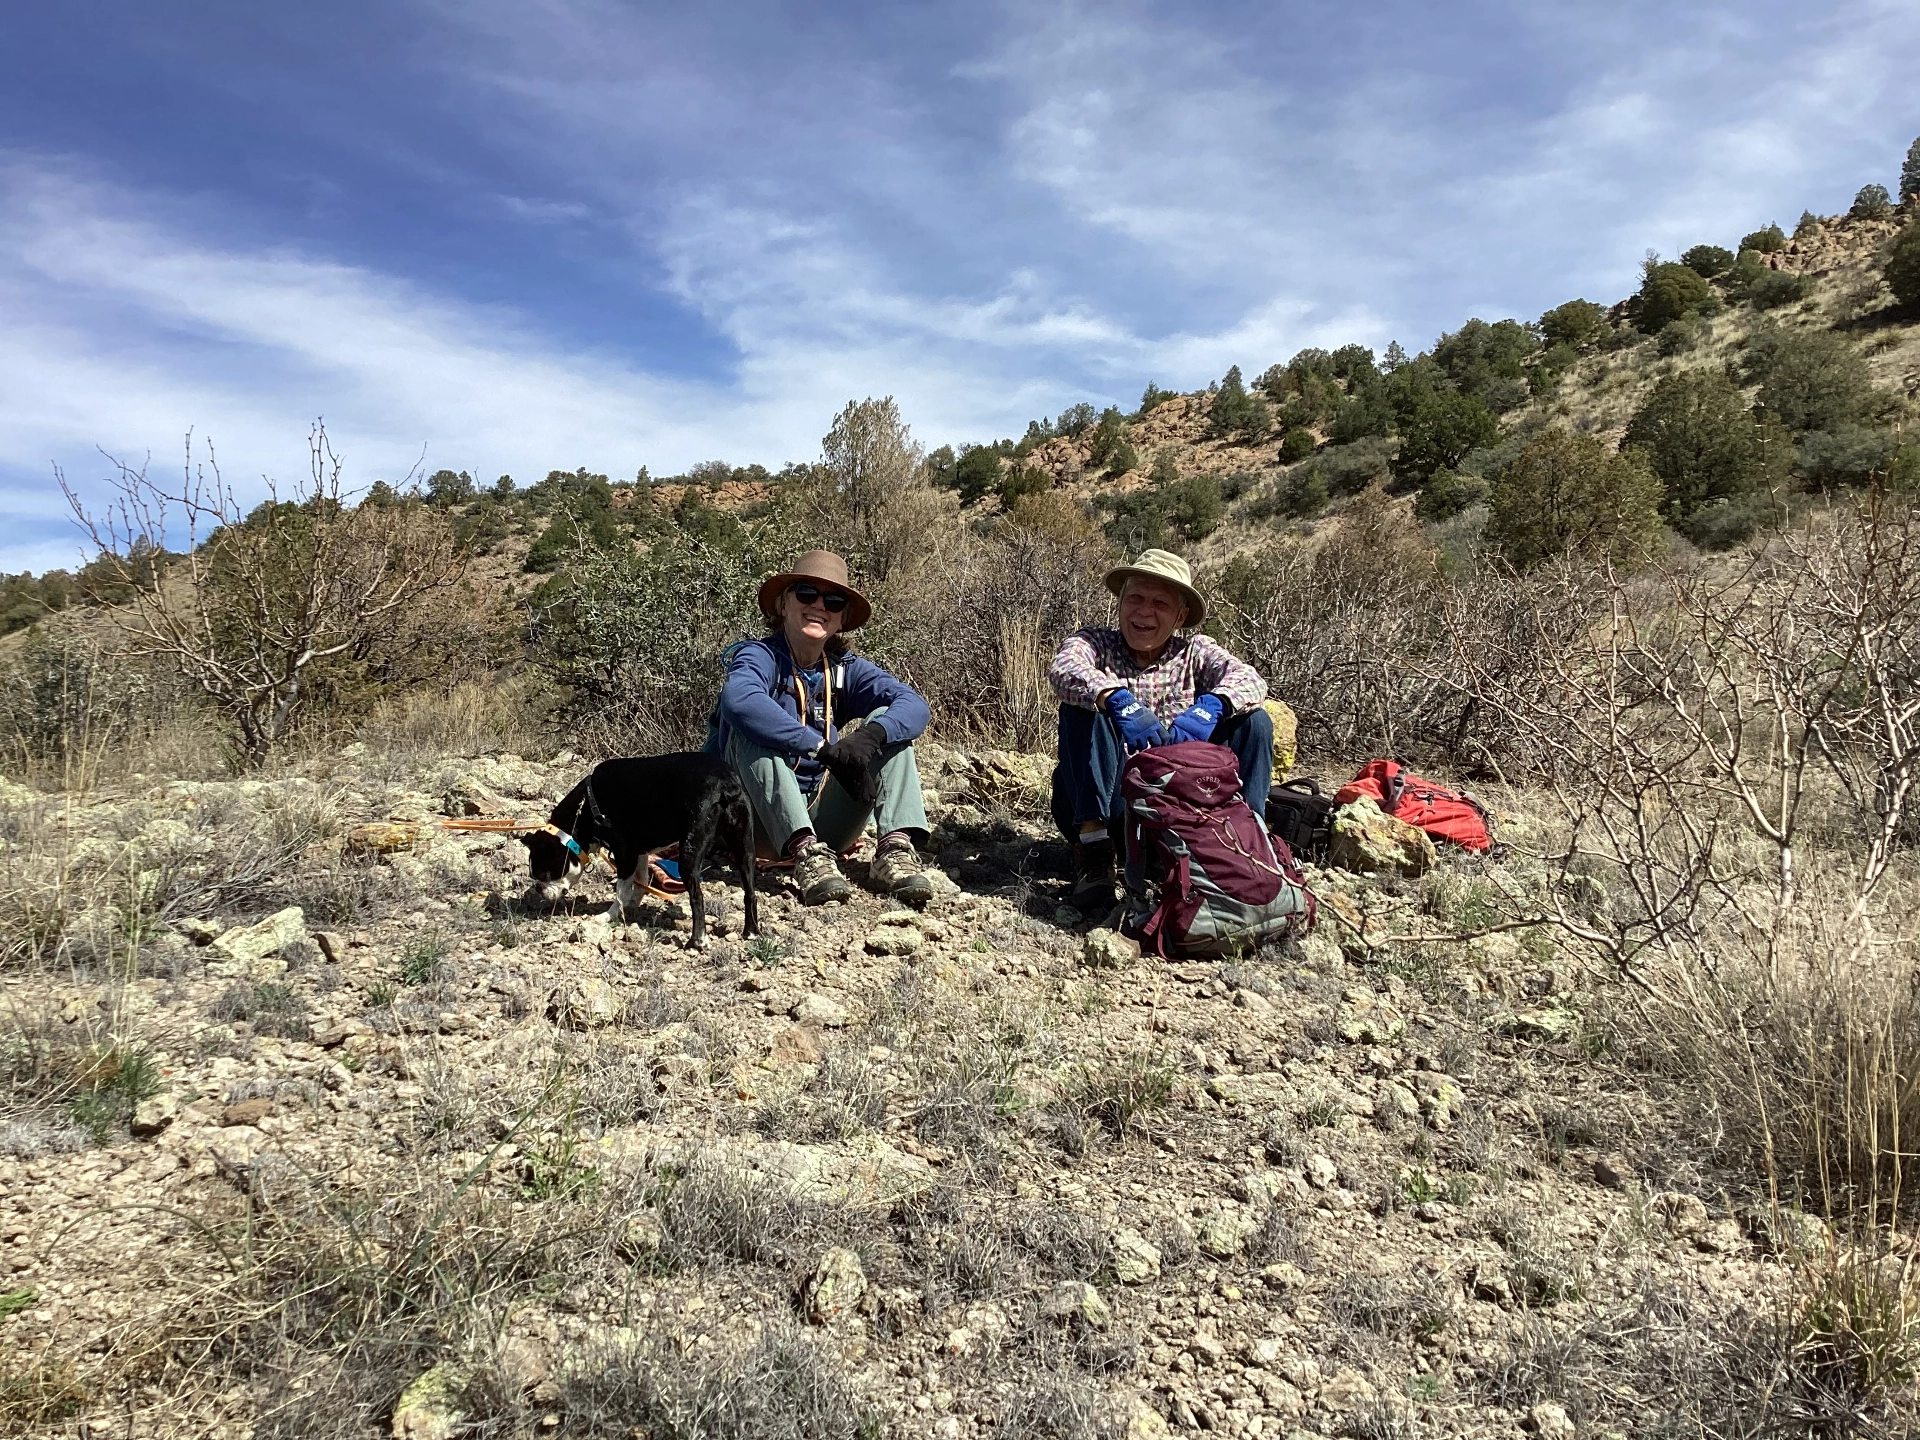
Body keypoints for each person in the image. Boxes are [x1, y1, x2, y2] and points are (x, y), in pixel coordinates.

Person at [1049, 548, 1272, 911]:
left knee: (1255, 721)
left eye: (1160, 603)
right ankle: (1094, 856)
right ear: (1120, 603)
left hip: (1178, 807)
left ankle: (1248, 843)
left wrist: (1213, 706)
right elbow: (1064, 668)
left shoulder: (1196, 653)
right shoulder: (1094, 643)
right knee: (1084, 709)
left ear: (1180, 616)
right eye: (1134, 598)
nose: (1144, 612)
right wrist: (1115, 698)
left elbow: (1250, 679)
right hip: (1113, 800)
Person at [715, 549, 934, 906]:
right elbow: (740, 701)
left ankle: (894, 849)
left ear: (842, 619)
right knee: (750, 732)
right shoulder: (759, 656)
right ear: (783, 605)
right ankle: (805, 855)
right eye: (806, 594)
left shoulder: (846, 670)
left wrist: (869, 736)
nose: (819, 605)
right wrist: (821, 748)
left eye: (832, 601)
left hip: (824, 818)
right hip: (753, 821)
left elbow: (914, 706)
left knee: (891, 726)